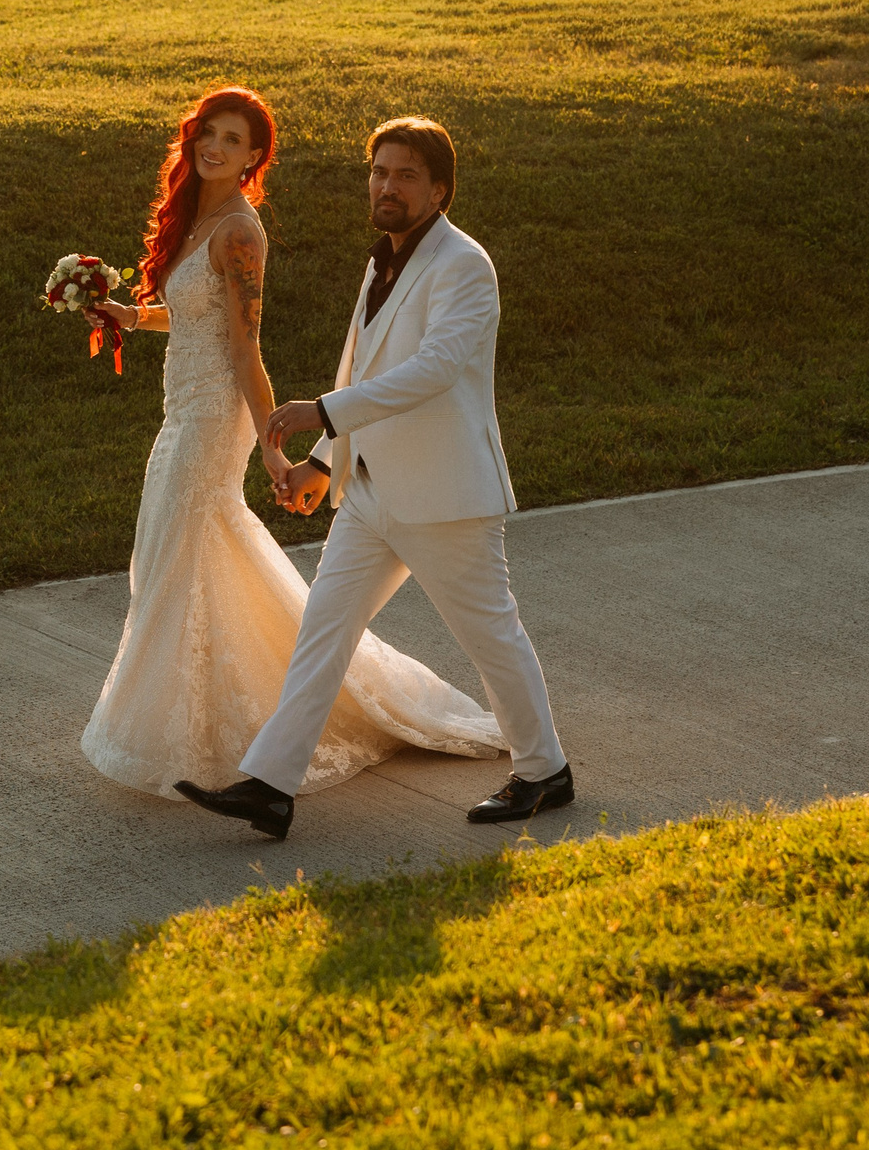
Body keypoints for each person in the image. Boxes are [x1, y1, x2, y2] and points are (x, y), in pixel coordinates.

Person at [79, 90, 507, 823]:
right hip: (180, 411)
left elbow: (245, 348)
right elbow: (196, 315)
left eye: (232, 138)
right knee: (174, 555)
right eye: (208, 132)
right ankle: (236, 741)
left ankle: (220, 743)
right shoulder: (201, 220)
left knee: (185, 552)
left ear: (254, 156)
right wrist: (132, 314)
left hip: (214, 416)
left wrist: (275, 452)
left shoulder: (240, 231)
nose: (214, 146)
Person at [176, 116, 575, 842]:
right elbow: (362, 368)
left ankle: (545, 770)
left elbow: (432, 371)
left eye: (406, 175)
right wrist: (323, 463)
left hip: (444, 495)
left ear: (439, 190)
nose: (387, 186)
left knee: (490, 635)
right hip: (367, 493)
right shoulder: (382, 259)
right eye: (379, 172)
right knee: (322, 631)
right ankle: (271, 787)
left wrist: (322, 411)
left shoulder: (464, 265)